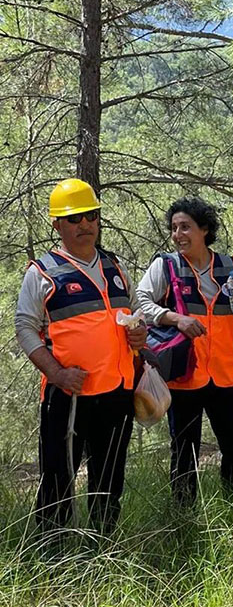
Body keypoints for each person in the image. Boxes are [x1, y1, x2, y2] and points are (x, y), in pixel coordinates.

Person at [15, 178, 147, 532]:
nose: (85, 224)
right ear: (57, 224)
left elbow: (137, 314)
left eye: (91, 215)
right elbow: (25, 328)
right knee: (57, 482)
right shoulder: (42, 272)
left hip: (117, 393)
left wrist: (140, 333)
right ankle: (53, 556)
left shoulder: (115, 268)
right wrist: (56, 373)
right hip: (67, 396)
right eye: (74, 218)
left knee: (109, 481)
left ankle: (103, 547)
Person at [137, 197, 233, 505]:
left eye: (186, 227)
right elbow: (139, 302)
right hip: (184, 377)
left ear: (204, 229)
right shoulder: (165, 265)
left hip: (226, 376)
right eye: (174, 228)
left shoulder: (229, 266)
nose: (178, 234)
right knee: (184, 451)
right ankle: (183, 516)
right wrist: (174, 317)